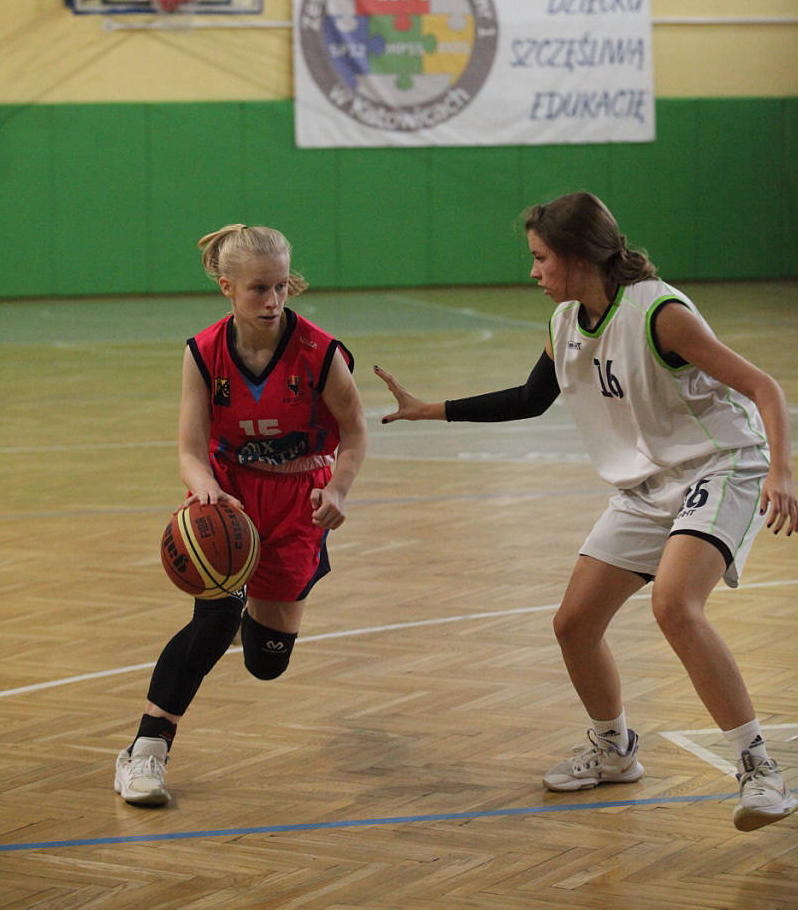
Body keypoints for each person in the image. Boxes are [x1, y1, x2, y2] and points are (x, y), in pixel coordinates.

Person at [375, 191, 797, 833]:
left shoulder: (659, 313)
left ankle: (760, 769)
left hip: (721, 465)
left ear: (577, 257)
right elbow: (529, 398)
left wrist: (782, 471)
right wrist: (428, 409)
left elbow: (762, 386)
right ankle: (614, 749)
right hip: (647, 483)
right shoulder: (566, 322)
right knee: (574, 624)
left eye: (541, 258)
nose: (533, 271)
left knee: (674, 605)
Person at [115, 224, 368, 807]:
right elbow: (189, 449)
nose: (273, 300)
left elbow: (354, 432)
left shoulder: (320, 353)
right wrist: (205, 489)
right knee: (213, 620)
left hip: (300, 499)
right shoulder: (203, 353)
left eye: (281, 286)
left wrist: (339, 490)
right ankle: (145, 751)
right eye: (258, 288)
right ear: (226, 286)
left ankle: (250, 608)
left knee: (266, 664)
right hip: (228, 497)